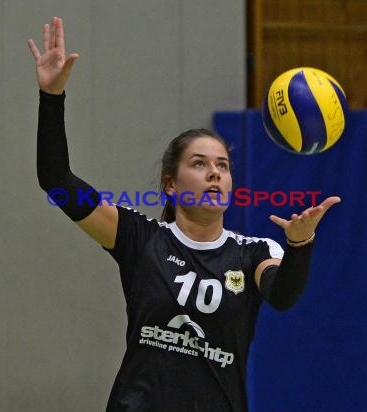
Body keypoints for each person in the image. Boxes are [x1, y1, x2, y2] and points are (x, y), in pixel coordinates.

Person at [28, 17, 340, 412]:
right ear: (171, 185)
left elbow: (283, 295)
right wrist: (51, 98)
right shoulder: (141, 239)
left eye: (223, 166)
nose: (214, 172)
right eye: (199, 163)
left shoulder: (253, 252)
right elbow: (56, 180)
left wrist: (300, 245)